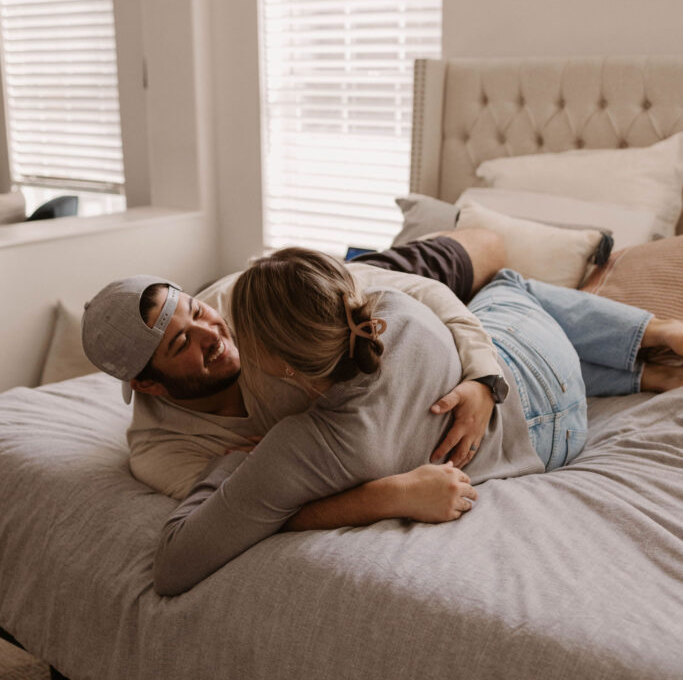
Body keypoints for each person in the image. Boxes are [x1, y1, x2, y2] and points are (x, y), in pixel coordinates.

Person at [151, 248, 683, 595]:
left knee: (504, 280)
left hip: (557, 443)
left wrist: (229, 468)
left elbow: (174, 567)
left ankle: (647, 358)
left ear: (284, 364)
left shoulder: (304, 446)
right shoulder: (394, 307)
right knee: (508, 288)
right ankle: (644, 350)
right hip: (543, 367)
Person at [82, 231, 509, 502]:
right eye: (181, 343)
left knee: (491, 247)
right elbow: (258, 508)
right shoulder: (162, 452)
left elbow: (425, 292)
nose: (211, 333)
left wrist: (485, 380)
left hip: (352, 294)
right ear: (148, 384)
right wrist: (390, 494)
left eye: (196, 311)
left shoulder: (242, 301)